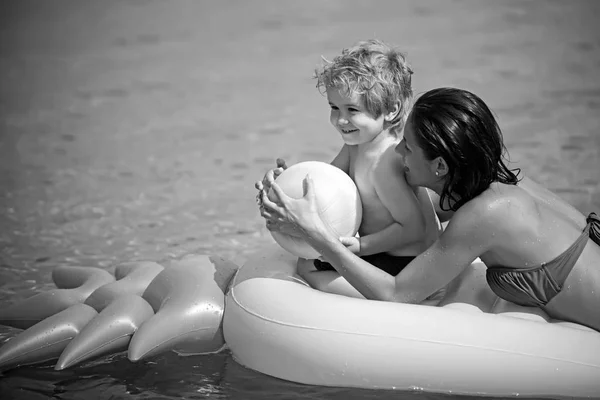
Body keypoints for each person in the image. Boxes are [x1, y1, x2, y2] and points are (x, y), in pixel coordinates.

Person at [258, 87, 600, 331]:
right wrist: (291, 185)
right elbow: (366, 197)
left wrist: (318, 237)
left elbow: (397, 294)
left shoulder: (485, 214)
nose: (397, 153)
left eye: (407, 147)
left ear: (439, 166)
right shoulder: (500, 184)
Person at [257, 39, 442, 292]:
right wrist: (286, 183)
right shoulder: (357, 145)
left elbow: (413, 228)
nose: (341, 119)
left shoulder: (385, 162)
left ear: (391, 109)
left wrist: (361, 246)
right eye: (334, 107)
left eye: (352, 109)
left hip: (406, 263)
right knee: (310, 261)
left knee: (308, 270)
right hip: (386, 252)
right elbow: (324, 184)